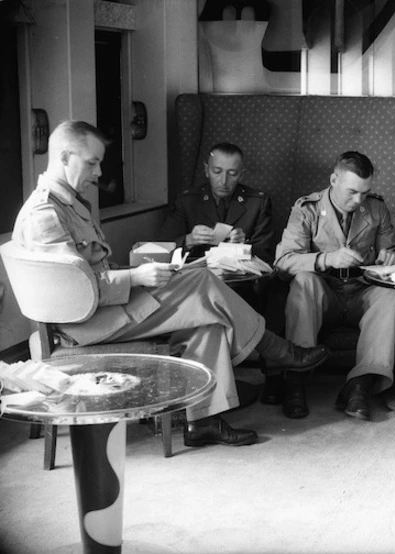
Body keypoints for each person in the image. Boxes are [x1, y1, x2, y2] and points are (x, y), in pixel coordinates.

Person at [12, 120, 328, 448]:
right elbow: (73, 295)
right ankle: (277, 351)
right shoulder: (45, 215)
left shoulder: (69, 205)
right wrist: (135, 277)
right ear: (65, 157)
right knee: (202, 280)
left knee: (209, 322)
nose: (99, 172)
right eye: (92, 162)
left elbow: (88, 273)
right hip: (84, 325)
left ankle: (203, 422)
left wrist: (132, 276)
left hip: (100, 310)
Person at [274, 151, 395, 421]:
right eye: (352, 192)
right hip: (325, 292)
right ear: (334, 179)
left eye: (365, 193)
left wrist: (392, 256)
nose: (358, 200)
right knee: (304, 282)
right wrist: (326, 259)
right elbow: (283, 262)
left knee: (390, 295)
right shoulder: (307, 209)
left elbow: (393, 252)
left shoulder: (376, 208)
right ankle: (295, 381)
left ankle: (359, 384)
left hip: (361, 290)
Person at [159, 142, 273, 262]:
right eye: (217, 172)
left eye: (232, 174)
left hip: (239, 277)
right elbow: (162, 248)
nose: (223, 181)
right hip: (196, 274)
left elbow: (266, 255)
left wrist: (243, 246)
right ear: (206, 170)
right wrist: (189, 240)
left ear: (241, 175)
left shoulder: (257, 203)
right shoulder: (187, 201)